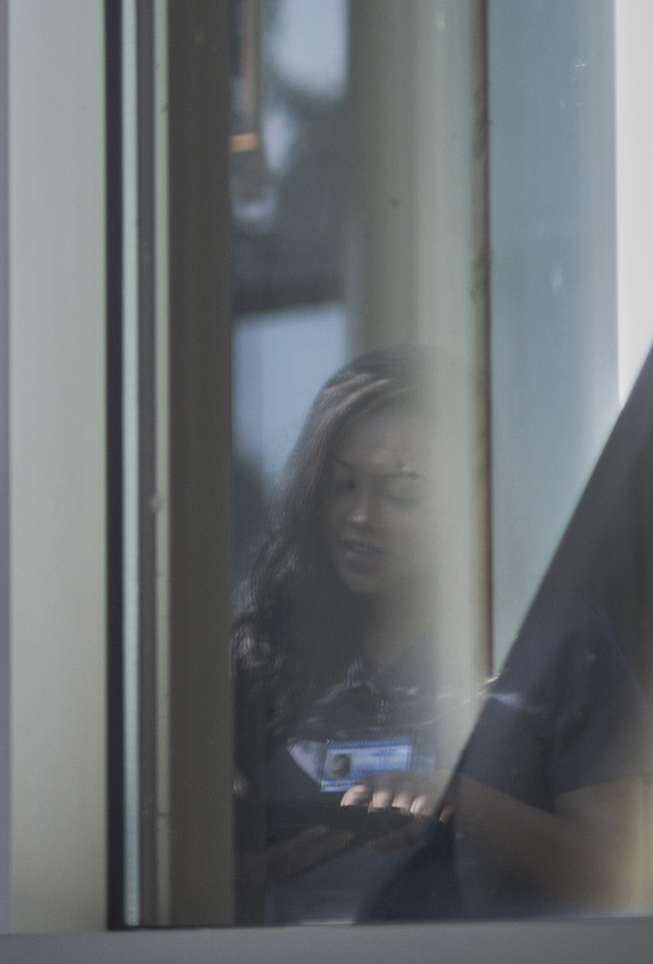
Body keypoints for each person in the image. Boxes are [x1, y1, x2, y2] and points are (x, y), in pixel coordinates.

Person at [235, 351, 648, 919]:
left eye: (401, 494)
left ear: (468, 501)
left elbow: (626, 875)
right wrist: (236, 876)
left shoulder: (554, 642)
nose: (360, 514)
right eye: (341, 485)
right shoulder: (261, 649)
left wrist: (464, 802)